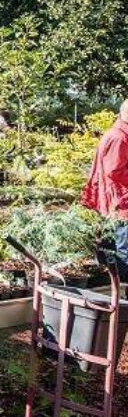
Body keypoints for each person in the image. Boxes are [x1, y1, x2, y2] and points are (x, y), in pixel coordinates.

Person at [82, 98, 128, 281]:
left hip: (118, 200)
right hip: (120, 202)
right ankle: (122, 296)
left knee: (113, 248)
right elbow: (114, 171)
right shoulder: (119, 137)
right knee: (122, 251)